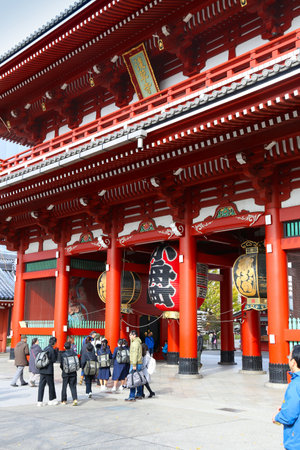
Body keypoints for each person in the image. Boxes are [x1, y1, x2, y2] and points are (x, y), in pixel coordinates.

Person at [272, 345, 300, 449]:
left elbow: (289, 416)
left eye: (289, 356)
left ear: (293, 362)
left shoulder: (296, 384)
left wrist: (277, 417)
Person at [37, 336, 59, 406]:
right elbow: (53, 360)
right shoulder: (52, 350)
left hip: (42, 369)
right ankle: (51, 400)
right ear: (55, 343)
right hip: (49, 370)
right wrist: (56, 353)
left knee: (41, 386)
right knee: (51, 385)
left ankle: (39, 401)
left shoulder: (45, 348)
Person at [125, 329, 143, 402]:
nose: (129, 336)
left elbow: (135, 354)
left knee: (132, 379)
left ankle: (132, 396)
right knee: (137, 378)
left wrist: (134, 364)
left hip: (135, 363)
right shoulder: (137, 342)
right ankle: (139, 393)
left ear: (134, 335)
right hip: (138, 362)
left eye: (130, 335)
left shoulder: (135, 343)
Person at [60, 341, 78, 406]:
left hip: (65, 373)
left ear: (64, 347)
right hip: (73, 372)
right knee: (73, 386)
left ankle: (64, 400)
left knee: (64, 387)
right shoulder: (74, 354)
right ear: (71, 347)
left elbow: (61, 365)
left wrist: (64, 370)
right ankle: (75, 399)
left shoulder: (63, 355)